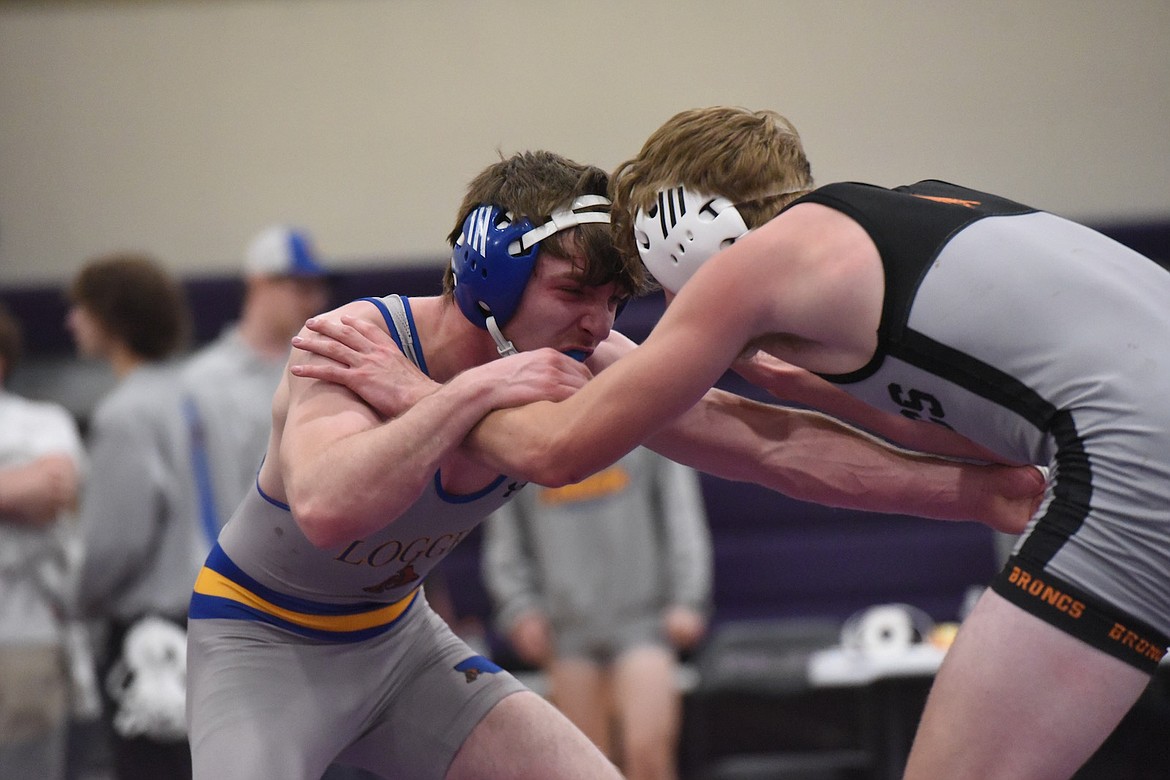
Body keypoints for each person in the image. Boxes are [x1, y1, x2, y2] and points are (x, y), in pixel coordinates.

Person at [311, 107, 1165, 780]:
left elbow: (558, 451)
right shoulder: (908, 212)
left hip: (1135, 461)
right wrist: (928, 461)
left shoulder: (754, 269)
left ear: (687, 228)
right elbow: (968, 422)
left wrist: (413, 393)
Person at [482, 446, 711, 780]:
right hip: (567, 631)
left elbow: (682, 514)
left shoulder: (643, 426)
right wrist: (520, 609)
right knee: (583, 766)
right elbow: (504, 536)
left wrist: (688, 599)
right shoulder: (527, 436)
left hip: (643, 622)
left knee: (647, 752)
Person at [66, 253, 198, 779]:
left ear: (110, 319)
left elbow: (116, 543)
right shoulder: (201, 394)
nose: (71, 321)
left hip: (154, 641)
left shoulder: (124, 414)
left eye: (81, 307)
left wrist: (77, 600)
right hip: (224, 618)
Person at [180, 224, 331, 546]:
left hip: (314, 563)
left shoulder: (324, 366)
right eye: (300, 287)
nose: (314, 300)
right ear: (260, 284)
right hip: (237, 567)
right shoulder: (203, 381)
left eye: (317, 287)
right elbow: (198, 494)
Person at [0, 302, 85, 780]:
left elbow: (54, 490)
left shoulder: (40, 421)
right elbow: (28, 489)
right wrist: (15, 484)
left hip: (22, 632)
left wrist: (30, 488)